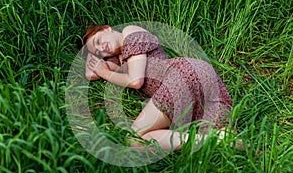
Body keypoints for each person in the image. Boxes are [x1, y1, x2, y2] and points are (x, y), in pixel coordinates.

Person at [82, 24, 233, 151]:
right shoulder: (119, 59)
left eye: (98, 41)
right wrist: (91, 54)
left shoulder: (130, 32)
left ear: (107, 29)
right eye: (98, 52)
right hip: (189, 84)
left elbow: (135, 81)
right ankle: (220, 141)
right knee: (140, 141)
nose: (102, 48)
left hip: (182, 74)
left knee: (134, 137)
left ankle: (213, 140)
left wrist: (105, 73)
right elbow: (90, 74)